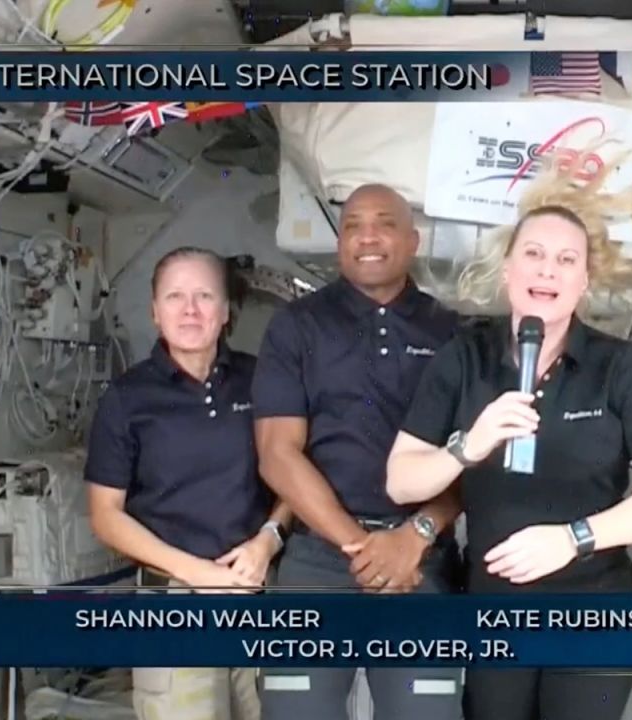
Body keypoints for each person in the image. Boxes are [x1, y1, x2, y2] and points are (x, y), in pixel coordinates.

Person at [385, 153, 632, 720]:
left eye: (565, 260)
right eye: (533, 254)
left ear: (583, 281)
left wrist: (573, 537)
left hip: (595, 609)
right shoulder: (463, 359)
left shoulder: (621, 368)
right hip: (494, 610)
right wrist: (467, 446)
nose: (547, 271)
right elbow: (402, 480)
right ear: (508, 269)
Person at [252, 183, 465, 720]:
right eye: (352, 225)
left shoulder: (453, 333)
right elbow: (278, 453)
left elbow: (468, 459)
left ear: (414, 240)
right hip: (318, 560)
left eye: (384, 223)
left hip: (421, 559)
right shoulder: (296, 326)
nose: (367, 236)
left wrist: (413, 537)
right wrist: (361, 548)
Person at [85, 246, 290, 720]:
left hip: (256, 589)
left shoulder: (260, 382)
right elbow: (105, 515)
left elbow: (292, 472)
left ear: (225, 312)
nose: (190, 309)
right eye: (175, 297)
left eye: (204, 296)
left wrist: (269, 539)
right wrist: (195, 574)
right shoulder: (127, 399)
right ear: (155, 312)